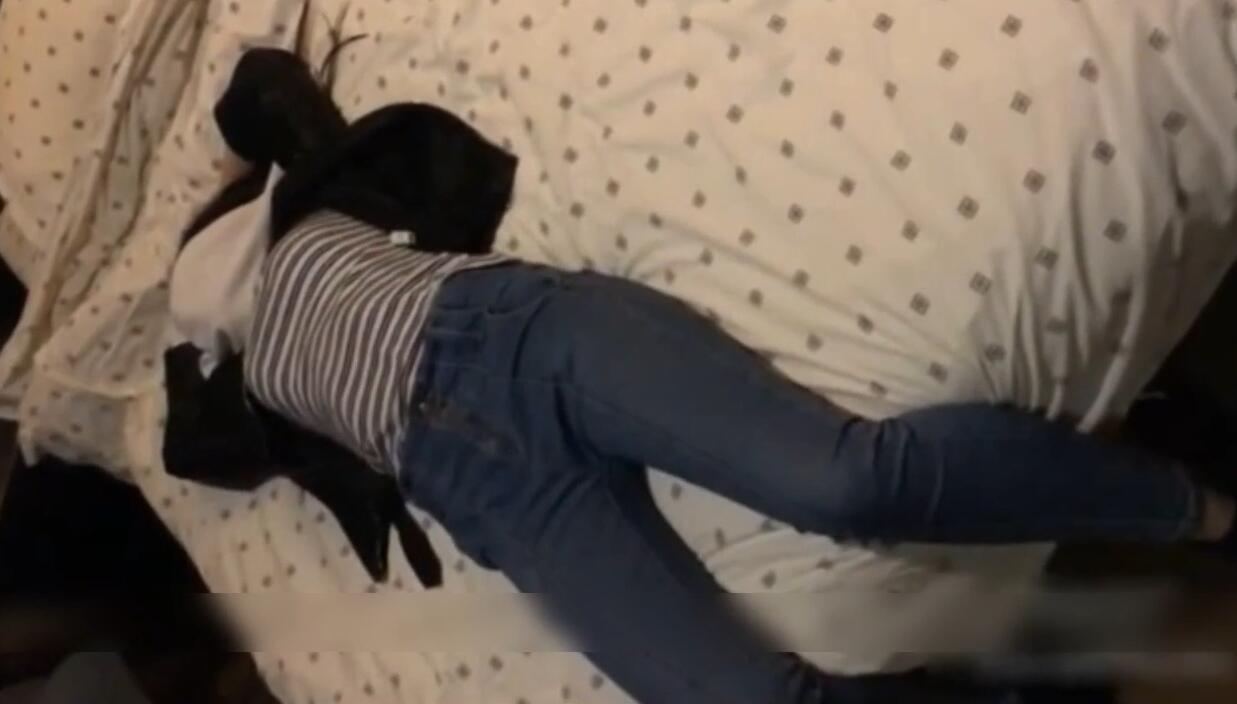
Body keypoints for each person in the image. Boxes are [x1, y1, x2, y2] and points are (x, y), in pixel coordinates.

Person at [193, 49, 1232, 704]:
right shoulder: (219, 378)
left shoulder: (296, 204)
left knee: (846, 481)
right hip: (475, 486)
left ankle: (1192, 505)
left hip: (512, 336)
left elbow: (262, 82)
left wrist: (231, 169)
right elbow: (200, 450)